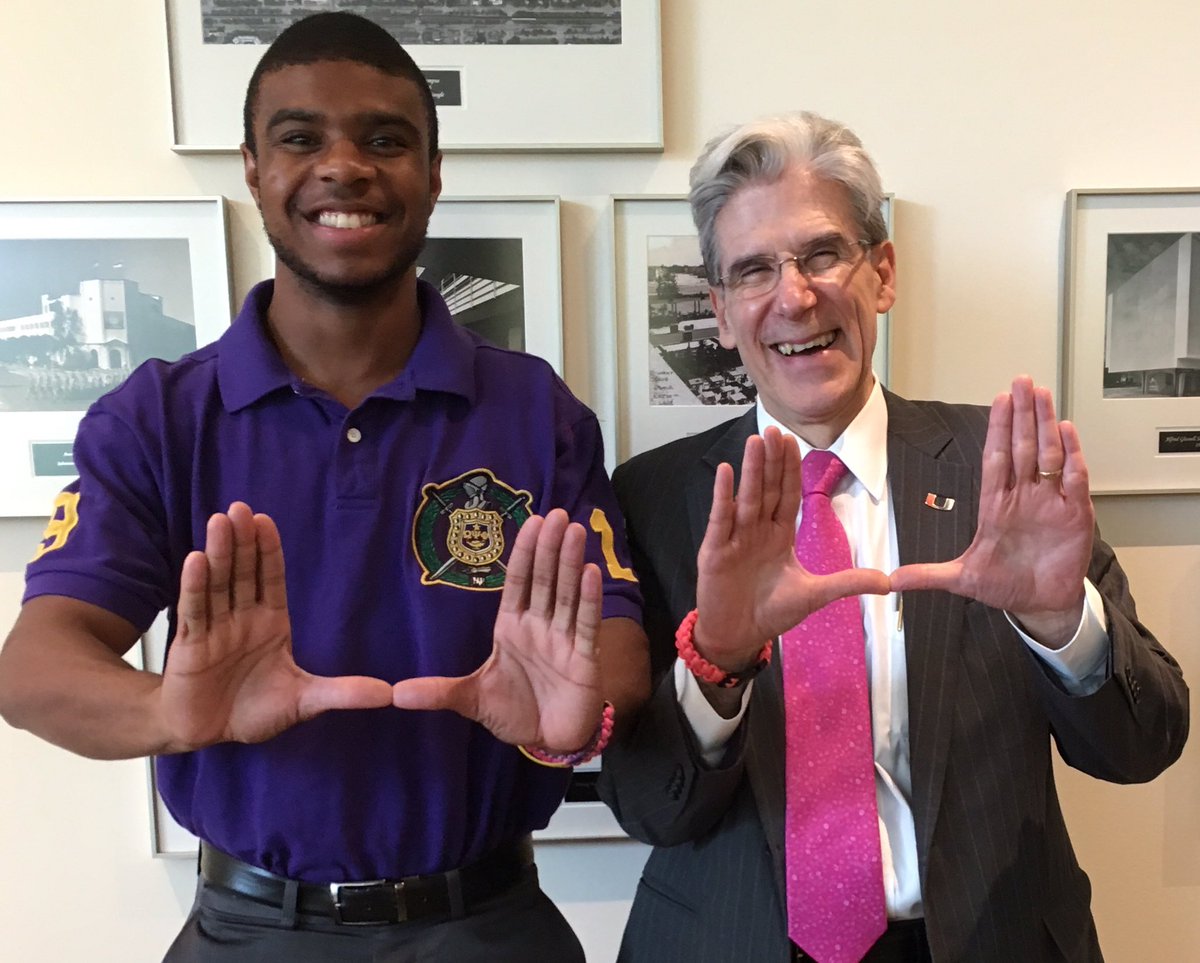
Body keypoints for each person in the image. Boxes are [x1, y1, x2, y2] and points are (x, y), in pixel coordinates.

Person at [0, 12, 647, 962]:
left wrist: (568, 725)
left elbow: (618, 646)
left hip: (489, 923)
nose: (344, 165)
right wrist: (168, 713)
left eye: (386, 139)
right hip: (253, 928)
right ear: (253, 170)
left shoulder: (533, 409)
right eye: (300, 138)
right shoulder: (159, 420)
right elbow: (33, 667)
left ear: (434, 173)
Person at [598, 111, 1188, 963]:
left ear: (882, 271)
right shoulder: (652, 501)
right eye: (755, 269)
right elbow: (648, 804)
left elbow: (1144, 746)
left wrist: (1063, 623)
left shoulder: (1005, 470)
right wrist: (718, 664)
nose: (795, 296)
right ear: (722, 311)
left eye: (823, 254)